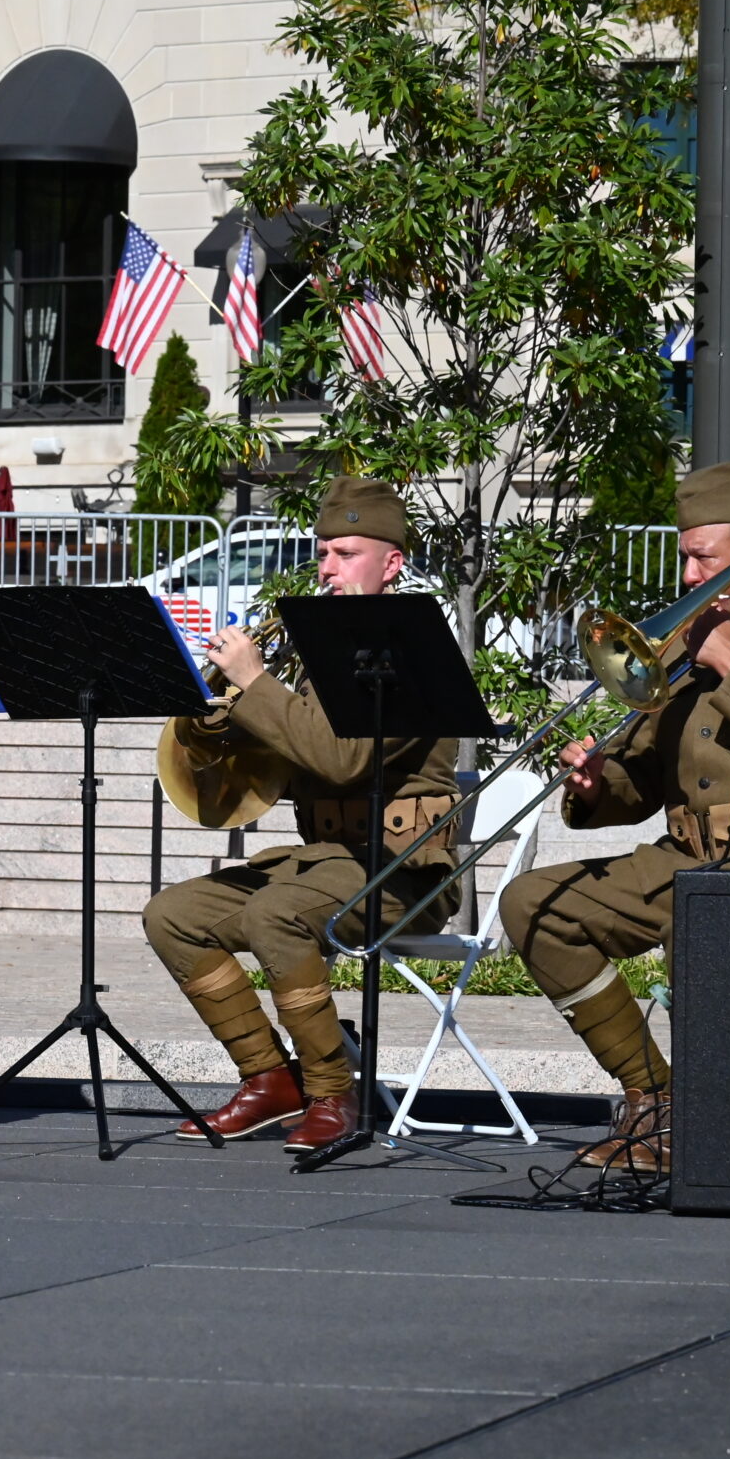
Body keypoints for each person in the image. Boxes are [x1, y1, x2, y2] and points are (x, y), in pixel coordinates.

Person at [497, 460, 730, 1175]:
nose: (685, 571)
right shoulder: (685, 647)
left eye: (702, 555)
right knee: (534, 904)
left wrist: (729, 658)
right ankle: (656, 1098)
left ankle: (713, 1117)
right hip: (691, 856)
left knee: (699, 913)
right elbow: (638, 781)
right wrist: (592, 781)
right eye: (683, 553)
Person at [142, 476, 461, 1157]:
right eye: (323, 551)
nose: (326, 567)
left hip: (400, 872)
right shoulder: (319, 648)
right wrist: (222, 724)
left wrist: (258, 684)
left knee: (273, 913)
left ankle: (330, 1090)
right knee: (173, 914)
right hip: (324, 864)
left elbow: (343, 761)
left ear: (391, 564)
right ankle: (268, 1077)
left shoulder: (413, 651)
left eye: (345, 552)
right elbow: (285, 768)